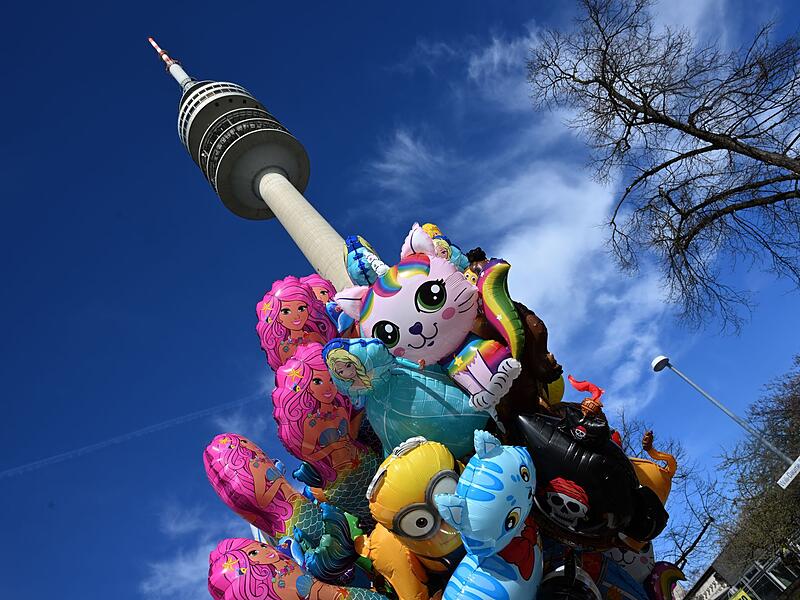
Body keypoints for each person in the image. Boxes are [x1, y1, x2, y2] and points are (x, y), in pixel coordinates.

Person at [256, 276, 332, 371]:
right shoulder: (284, 348)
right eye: (286, 311)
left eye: (301, 309)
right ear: (277, 318)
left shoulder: (314, 336)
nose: (296, 316)